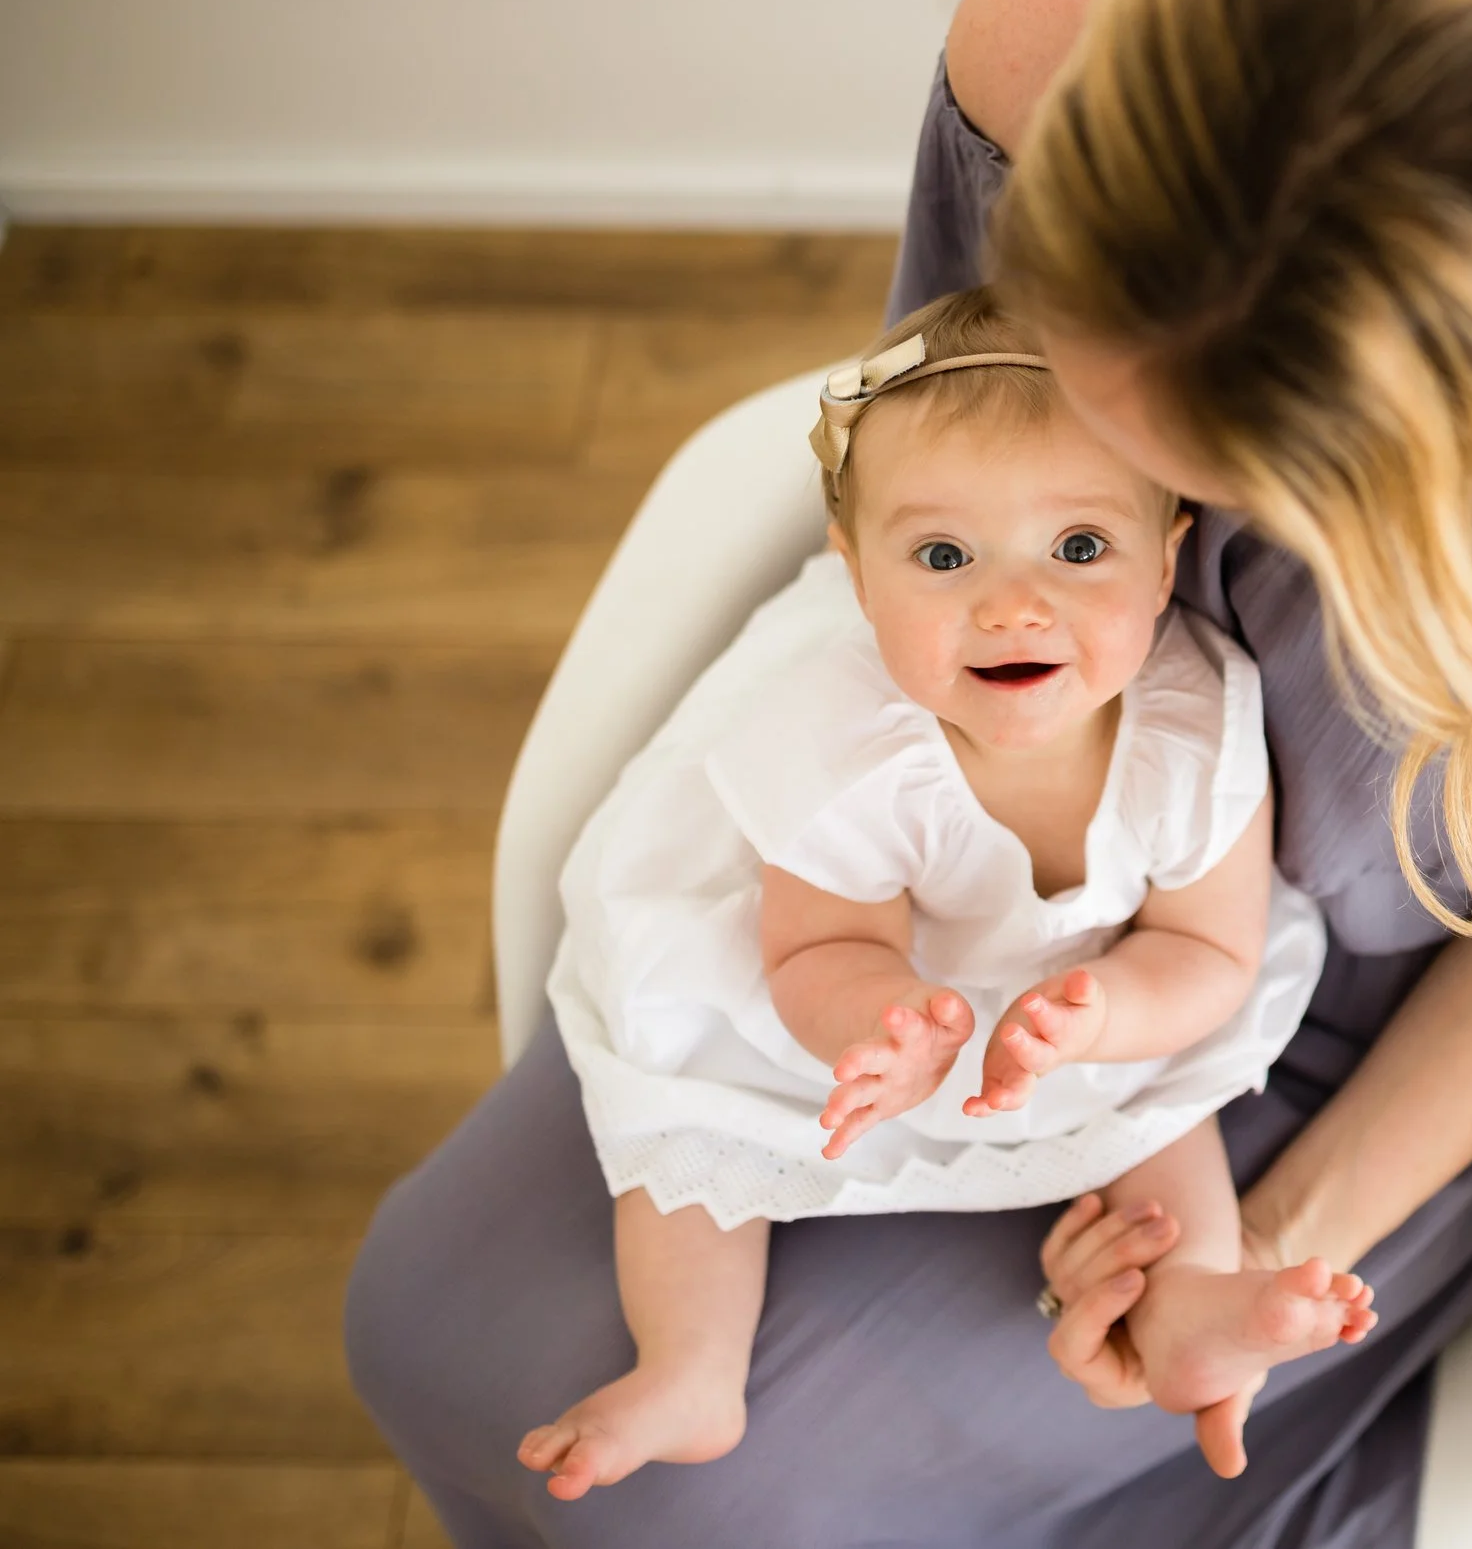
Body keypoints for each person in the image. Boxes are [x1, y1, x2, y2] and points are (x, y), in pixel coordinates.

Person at [345, 0, 1472, 1542]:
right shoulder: (1046, 62)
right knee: (430, 1325)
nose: (1113, 454)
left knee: (705, 1516)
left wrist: (1253, 1234)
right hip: (952, 832)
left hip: (1320, 1030)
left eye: (1195, 462)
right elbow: (937, 442)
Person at [514, 287, 1371, 1502]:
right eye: (942, 555)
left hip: (1090, 976)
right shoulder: (841, 750)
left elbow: (1209, 947)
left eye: (1080, 548)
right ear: (856, 574)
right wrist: (880, 1022)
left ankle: (1190, 1316)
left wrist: (1105, 1014)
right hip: (867, 980)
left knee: (1166, 1118)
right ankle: (690, 1366)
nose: (1013, 603)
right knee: (692, 1127)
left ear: (1166, 551)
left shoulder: (1196, 727)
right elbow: (816, 943)